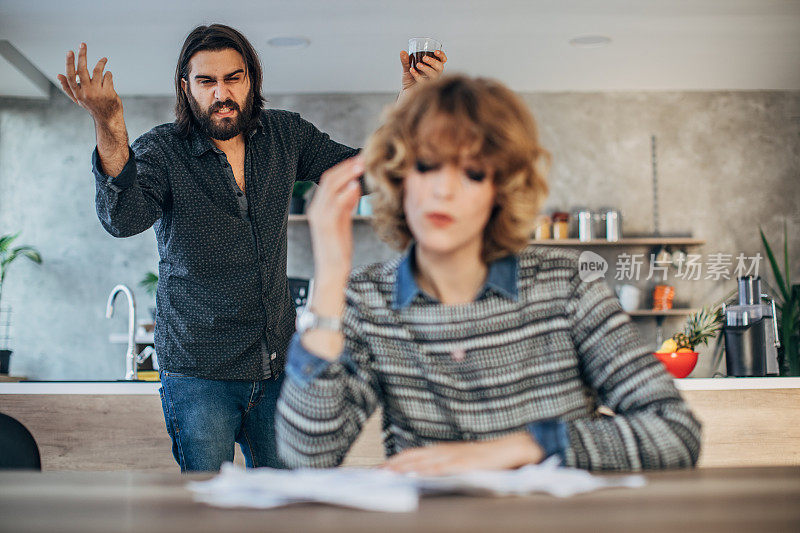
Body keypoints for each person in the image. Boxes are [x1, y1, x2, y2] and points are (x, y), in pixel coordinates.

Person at [56, 24, 447, 472]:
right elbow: (122, 219)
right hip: (199, 373)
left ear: (252, 80)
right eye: (207, 81)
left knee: (289, 502)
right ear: (186, 88)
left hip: (276, 364)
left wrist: (412, 104)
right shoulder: (162, 151)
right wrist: (108, 125)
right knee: (205, 506)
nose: (222, 93)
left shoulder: (285, 135)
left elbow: (366, 176)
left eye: (233, 78)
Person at [276, 74, 701, 473]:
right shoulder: (368, 300)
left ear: (501, 191)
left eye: (473, 173)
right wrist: (331, 274)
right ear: (399, 178)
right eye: (426, 166)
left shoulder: (568, 288)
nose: (444, 190)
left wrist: (521, 448)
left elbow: (676, 432)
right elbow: (307, 455)